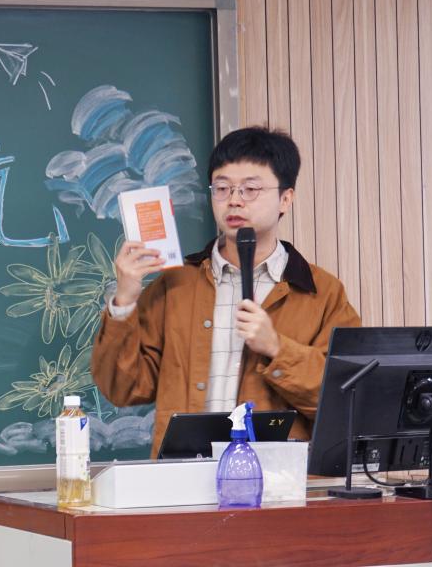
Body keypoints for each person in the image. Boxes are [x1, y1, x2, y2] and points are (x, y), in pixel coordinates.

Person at [91, 126, 360, 457]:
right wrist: (124, 301)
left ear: (285, 199)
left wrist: (277, 349)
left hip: (275, 479)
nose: (234, 200)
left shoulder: (322, 293)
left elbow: (346, 403)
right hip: (185, 476)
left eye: (250, 189)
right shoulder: (176, 284)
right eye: (222, 188)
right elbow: (122, 389)